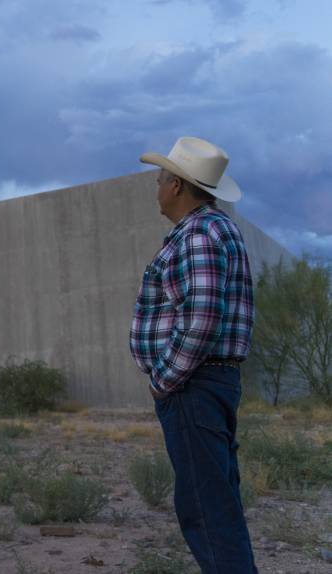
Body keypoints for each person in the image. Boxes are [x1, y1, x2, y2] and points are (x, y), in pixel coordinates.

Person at [130, 136, 257, 573]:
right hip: (208, 382)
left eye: (161, 179)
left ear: (178, 186)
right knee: (217, 502)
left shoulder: (200, 233)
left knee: (205, 510)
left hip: (193, 386)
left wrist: (163, 381)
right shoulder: (215, 230)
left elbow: (201, 318)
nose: (157, 187)